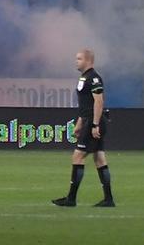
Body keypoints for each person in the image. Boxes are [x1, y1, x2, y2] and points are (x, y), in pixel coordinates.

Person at [53, 48, 113, 207]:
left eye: (79, 58)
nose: (76, 61)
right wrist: (79, 123)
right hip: (89, 121)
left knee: (77, 156)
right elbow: (85, 105)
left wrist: (94, 124)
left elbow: (98, 102)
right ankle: (108, 199)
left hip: (94, 122)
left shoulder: (94, 78)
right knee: (99, 159)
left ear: (88, 61)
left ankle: (71, 199)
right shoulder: (84, 78)